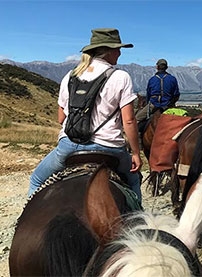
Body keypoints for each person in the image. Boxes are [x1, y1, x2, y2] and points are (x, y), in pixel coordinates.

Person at [28, 28, 143, 202]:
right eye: (118, 49)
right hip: (110, 148)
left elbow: (61, 119)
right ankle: (139, 223)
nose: (120, 53)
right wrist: (136, 153)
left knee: (36, 180)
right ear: (109, 50)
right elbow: (129, 120)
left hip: (69, 146)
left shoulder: (71, 76)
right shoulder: (120, 76)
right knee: (134, 182)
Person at [135, 59, 180, 125]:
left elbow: (149, 95)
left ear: (157, 67)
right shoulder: (172, 79)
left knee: (136, 118)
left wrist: (148, 104)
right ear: (166, 68)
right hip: (169, 105)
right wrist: (171, 104)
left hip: (154, 105)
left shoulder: (152, 79)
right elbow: (176, 95)